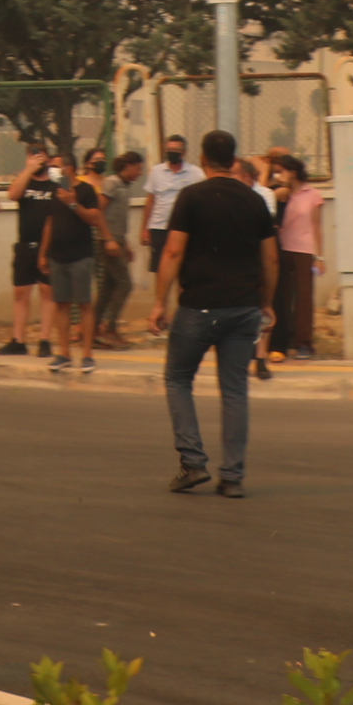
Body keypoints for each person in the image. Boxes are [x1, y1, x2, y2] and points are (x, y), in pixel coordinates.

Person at [151, 128, 279, 497]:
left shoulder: (191, 197)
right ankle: (233, 476)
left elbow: (173, 252)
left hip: (199, 306)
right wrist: (266, 301)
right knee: (235, 391)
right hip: (243, 308)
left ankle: (192, 463)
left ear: (203, 160)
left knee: (177, 379)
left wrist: (160, 302)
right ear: (234, 159)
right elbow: (271, 258)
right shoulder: (256, 201)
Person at [40, 157, 103, 374]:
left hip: (81, 256)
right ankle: (64, 352)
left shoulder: (86, 190)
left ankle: (87, 354)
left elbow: (94, 218)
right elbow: (50, 223)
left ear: (70, 168)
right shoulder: (53, 191)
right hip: (58, 256)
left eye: (57, 165)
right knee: (61, 304)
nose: (53, 169)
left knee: (84, 304)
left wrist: (73, 204)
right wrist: (43, 254)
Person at [0, 153, 61, 357]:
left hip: (49, 246)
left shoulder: (54, 185)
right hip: (26, 245)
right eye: (33, 158)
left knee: (47, 292)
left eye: (41, 159)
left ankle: (45, 339)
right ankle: (18, 340)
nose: (38, 163)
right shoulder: (25, 182)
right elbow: (13, 195)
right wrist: (28, 170)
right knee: (21, 293)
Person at [265, 152, 325, 361]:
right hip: (282, 248)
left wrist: (320, 256)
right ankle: (283, 340)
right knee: (281, 297)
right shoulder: (280, 194)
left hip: (304, 250)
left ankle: (304, 343)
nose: (278, 175)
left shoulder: (312, 194)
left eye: (281, 171)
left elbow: (317, 226)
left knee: (303, 297)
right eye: (275, 172)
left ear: (293, 172)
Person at [96, 151, 147, 349]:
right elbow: (98, 211)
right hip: (107, 241)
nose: (140, 173)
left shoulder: (124, 186)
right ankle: (109, 327)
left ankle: (92, 329)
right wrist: (109, 239)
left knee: (108, 288)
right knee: (124, 284)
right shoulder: (112, 183)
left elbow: (117, 219)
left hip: (116, 240)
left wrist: (124, 243)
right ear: (128, 166)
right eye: (138, 168)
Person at [141, 134, 200, 270]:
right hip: (159, 227)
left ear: (184, 153)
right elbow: (150, 201)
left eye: (176, 150)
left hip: (184, 228)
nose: (172, 153)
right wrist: (145, 229)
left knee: (184, 267)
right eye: (169, 150)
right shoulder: (156, 171)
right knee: (160, 267)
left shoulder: (195, 173)